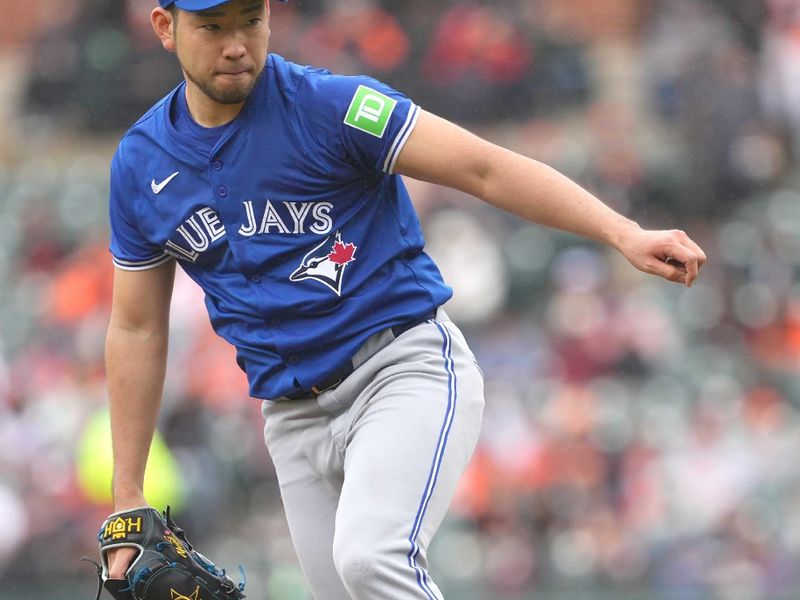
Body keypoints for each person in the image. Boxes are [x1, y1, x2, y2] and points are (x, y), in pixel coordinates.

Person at [103, 1, 707, 598]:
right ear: (165, 28)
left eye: (250, 21)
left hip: (400, 370)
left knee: (370, 559)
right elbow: (136, 327)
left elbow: (482, 168)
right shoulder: (140, 163)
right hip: (291, 417)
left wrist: (621, 231)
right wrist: (127, 492)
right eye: (212, 26)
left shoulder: (330, 106)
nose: (236, 43)